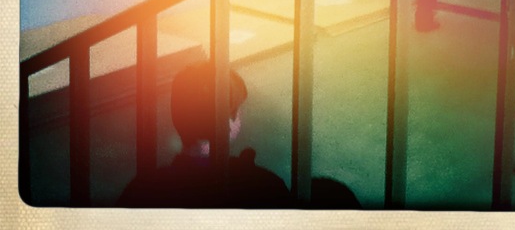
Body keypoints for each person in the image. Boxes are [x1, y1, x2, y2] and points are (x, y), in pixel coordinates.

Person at [118, 61, 362, 209]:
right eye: (239, 109)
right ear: (228, 122)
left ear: (178, 117)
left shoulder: (142, 190)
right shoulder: (262, 186)